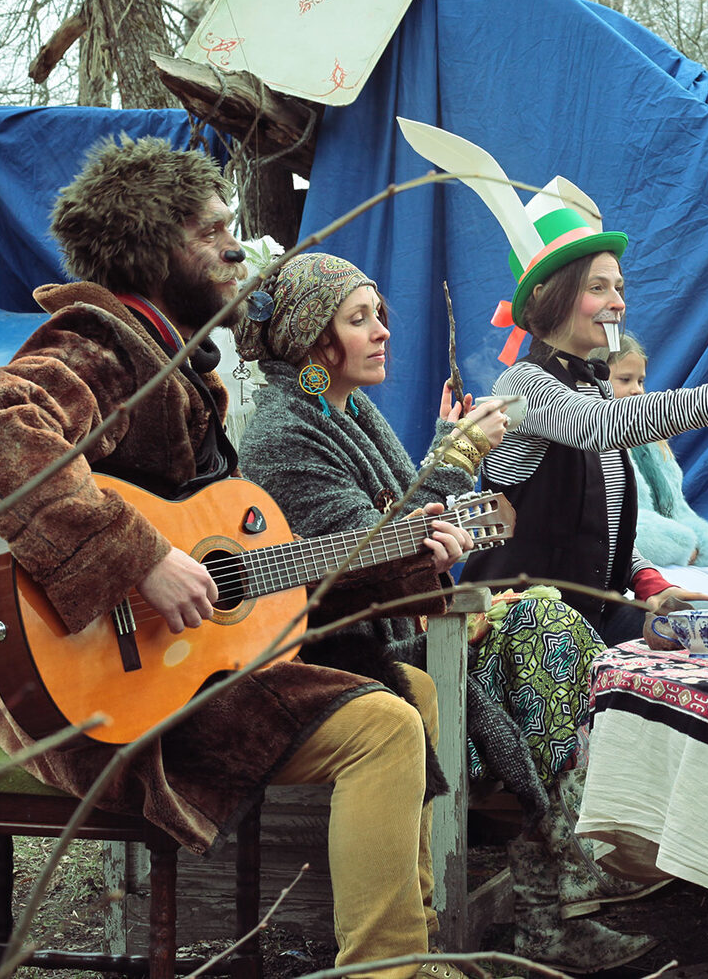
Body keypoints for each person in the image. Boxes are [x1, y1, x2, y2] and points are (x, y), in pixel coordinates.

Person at [0, 137, 474, 979]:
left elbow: (255, 572)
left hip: (175, 666)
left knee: (404, 688)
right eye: (212, 230)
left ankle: (411, 948)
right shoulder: (103, 341)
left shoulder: (179, 358)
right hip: (104, 697)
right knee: (381, 727)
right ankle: (387, 971)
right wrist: (141, 556)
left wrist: (409, 554)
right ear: (153, 250)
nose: (238, 246)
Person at [233, 253, 653, 972]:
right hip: (350, 654)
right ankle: (555, 883)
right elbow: (374, 544)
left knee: (546, 620)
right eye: (359, 319)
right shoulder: (283, 432)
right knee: (545, 629)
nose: (382, 332)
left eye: (381, 316)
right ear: (310, 338)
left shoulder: (348, 410)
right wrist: (458, 453)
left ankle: (555, 888)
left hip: (406, 633)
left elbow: (416, 523)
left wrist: (464, 567)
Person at [463, 179, 708, 645]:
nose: (618, 301)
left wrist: (648, 581)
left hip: (590, 619)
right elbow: (599, 425)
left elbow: (602, 531)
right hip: (519, 633)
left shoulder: (592, 386)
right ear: (550, 295)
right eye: (598, 287)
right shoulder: (522, 384)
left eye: (619, 286)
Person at [601, 334, 708, 600]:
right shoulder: (594, 443)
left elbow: (675, 507)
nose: (637, 390)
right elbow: (615, 524)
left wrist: (698, 541)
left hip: (673, 559)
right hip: (631, 569)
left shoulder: (650, 441)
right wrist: (680, 542)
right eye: (624, 380)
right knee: (707, 605)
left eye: (640, 381)